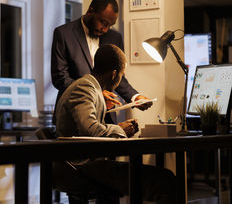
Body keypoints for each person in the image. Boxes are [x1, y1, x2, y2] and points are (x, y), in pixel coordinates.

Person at [55, 44, 176, 203]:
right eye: (121, 75)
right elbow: (91, 130)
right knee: (165, 180)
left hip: (83, 163)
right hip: (79, 166)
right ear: (114, 74)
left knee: (160, 177)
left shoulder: (90, 87)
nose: (120, 80)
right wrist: (120, 129)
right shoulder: (85, 87)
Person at [51, 0, 152, 120]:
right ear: (90, 11)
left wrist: (135, 97)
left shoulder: (114, 37)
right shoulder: (63, 34)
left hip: (105, 114)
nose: (105, 29)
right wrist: (96, 93)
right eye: (103, 22)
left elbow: (117, 77)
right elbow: (60, 78)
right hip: (72, 114)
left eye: (110, 25)